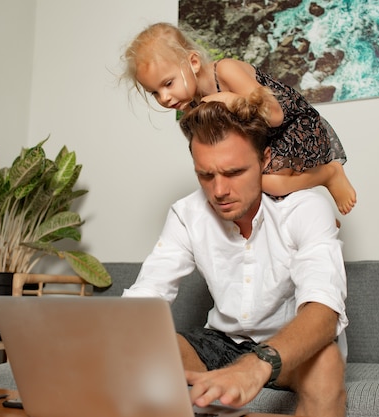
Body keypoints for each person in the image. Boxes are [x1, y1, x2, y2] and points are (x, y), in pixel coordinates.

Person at [122, 98, 348, 417]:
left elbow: (324, 312)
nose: (219, 191)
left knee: (325, 363)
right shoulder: (187, 214)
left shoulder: (305, 209)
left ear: (265, 160)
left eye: (234, 172)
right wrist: (111, 340)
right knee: (142, 350)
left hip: (290, 349)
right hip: (220, 342)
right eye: (206, 175)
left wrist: (257, 366)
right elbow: (149, 293)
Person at [121, 22, 356, 215]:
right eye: (155, 92)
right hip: (262, 143)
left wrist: (229, 99)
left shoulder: (224, 71)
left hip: (294, 126)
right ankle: (311, 220)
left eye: (168, 84)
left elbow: (275, 116)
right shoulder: (191, 103)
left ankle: (329, 174)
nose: (164, 98)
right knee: (248, 188)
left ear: (193, 62)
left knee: (269, 184)